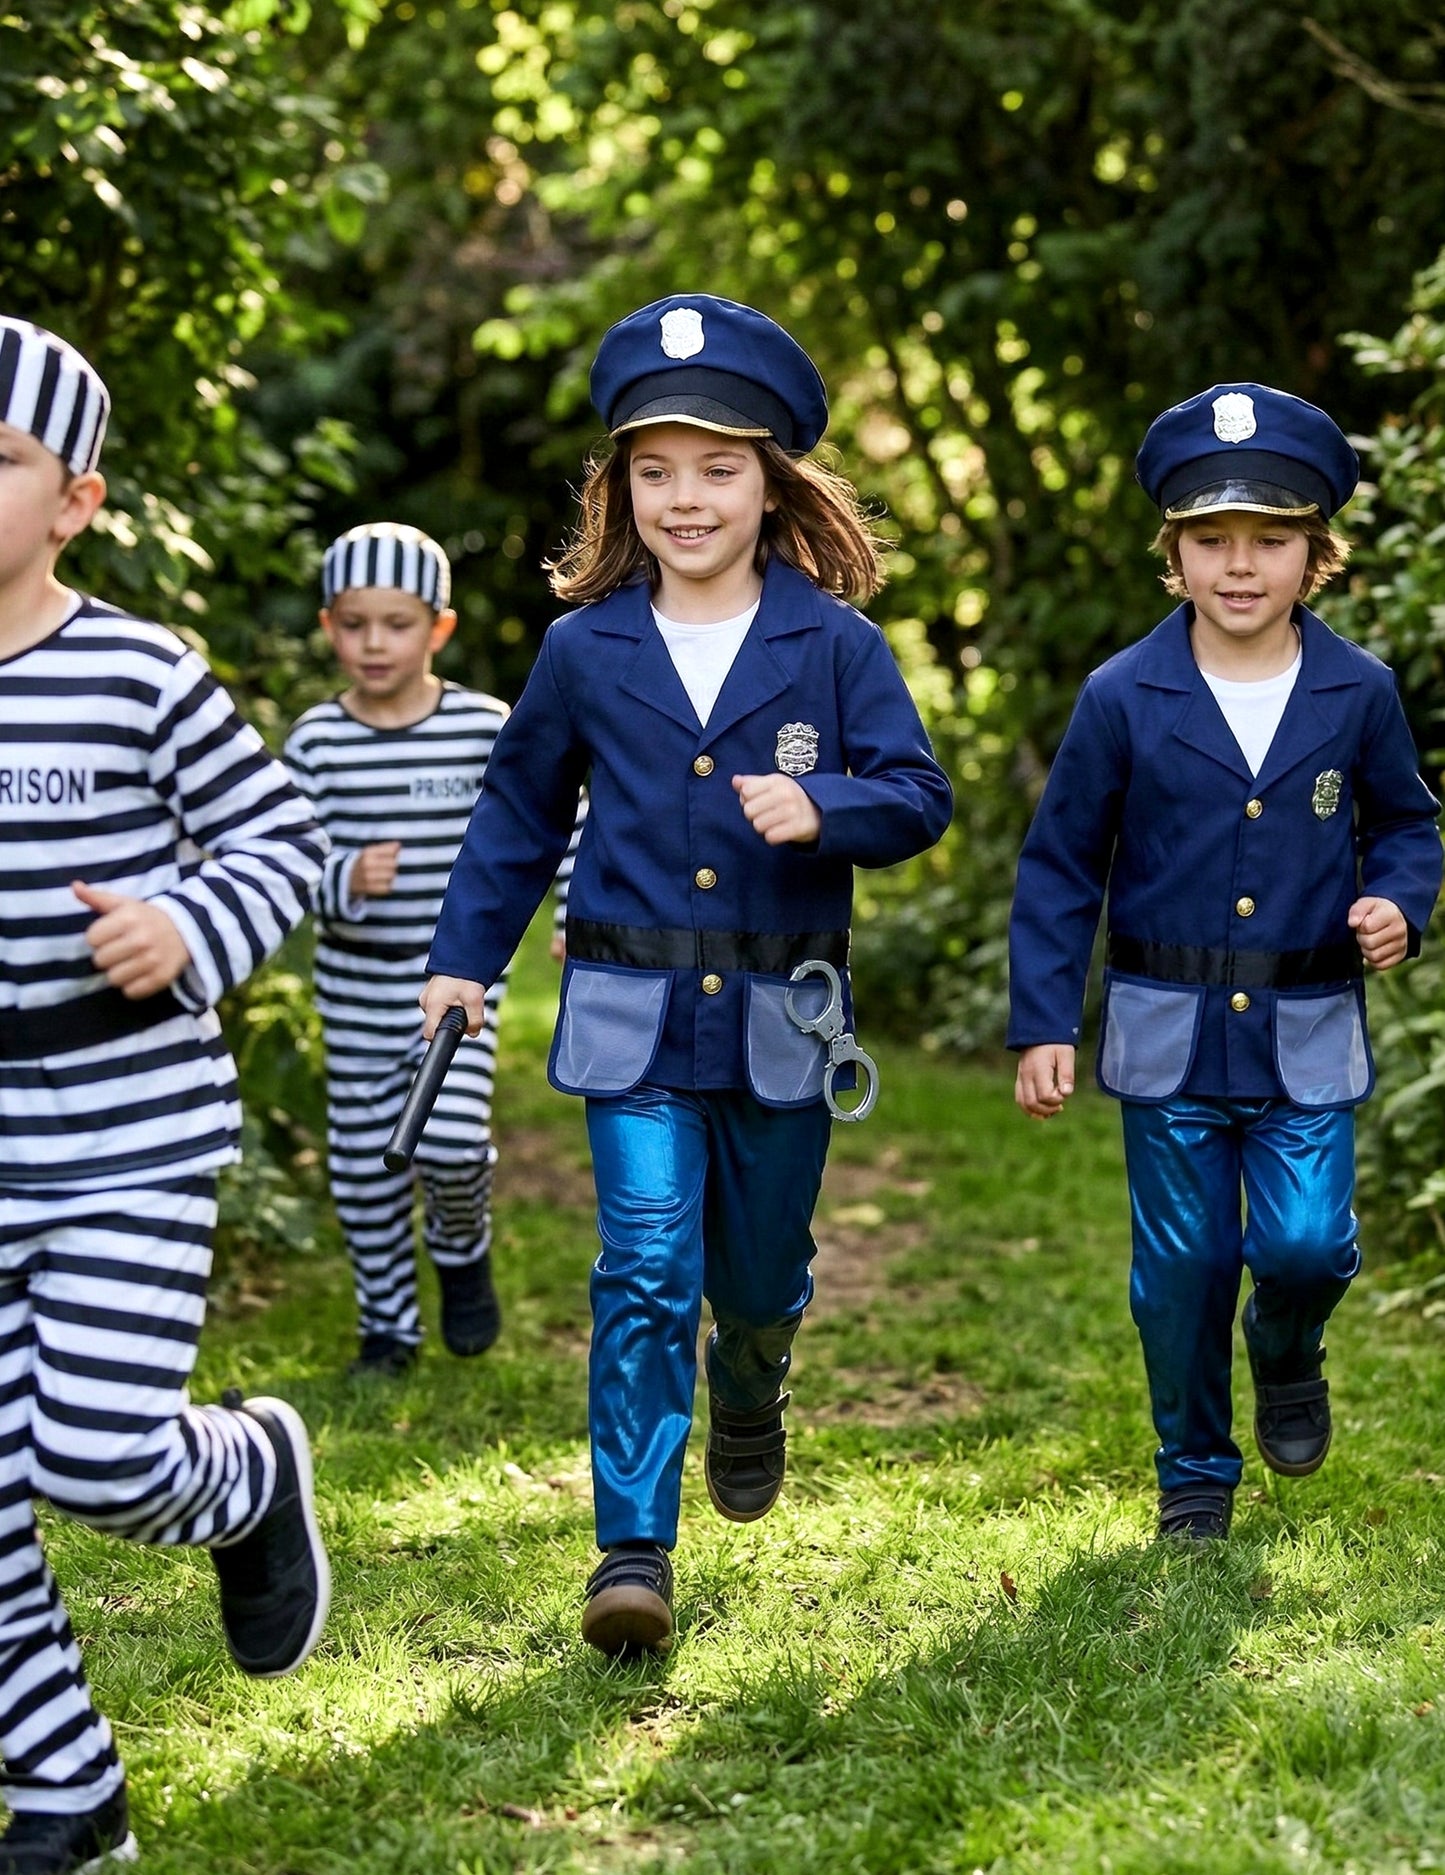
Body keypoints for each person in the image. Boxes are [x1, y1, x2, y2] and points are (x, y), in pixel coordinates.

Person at [421, 293, 953, 1653]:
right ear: (618, 491)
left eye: (717, 466)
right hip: (630, 1016)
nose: (685, 495)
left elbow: (918, 794)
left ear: (771, 483)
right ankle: (630, 1547)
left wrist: (826, 803)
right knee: (645, 1261)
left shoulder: (832, 644)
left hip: (783, 1017)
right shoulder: (581, 647)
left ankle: (755, 1382)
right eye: (654, 469)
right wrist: (462, 960)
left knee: (757, 1276)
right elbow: (516, 814)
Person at [0, 314, 331, 1872]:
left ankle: (249, 1471)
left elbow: (288, 841)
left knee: (93, 1457)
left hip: (127, 1128)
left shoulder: (138, 669)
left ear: (76, 498)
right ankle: (69, 1793)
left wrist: (189, 922)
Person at [1008, 382, 1442, 1543]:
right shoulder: (1120, 696)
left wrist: (1397, 902)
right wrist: (1044, 1021)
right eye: (1211, 540)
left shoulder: (1357, 692)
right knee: (1184, 1264)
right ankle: (1192, 1471)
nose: (1238, 567)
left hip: (1304, 1026)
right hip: (1164, 1027)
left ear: (1314, 554)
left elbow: (1405, 825)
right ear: (1174, 553)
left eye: (1268, 541)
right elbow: (1059, 865)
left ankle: (1285, 1347)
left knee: (1304, 1246)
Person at [285, 524, 583, 1377]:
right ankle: (388, 1331)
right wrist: (341, 875)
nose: (374, 643)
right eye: (353, 623)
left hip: (453, 998)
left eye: (397, 623)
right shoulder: (316, 743)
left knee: (450, 1149)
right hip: (352, 998)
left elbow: (553, 821)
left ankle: (461, 1249)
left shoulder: (481, 727)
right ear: (328, 625)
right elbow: (274, 861)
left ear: (438, 628)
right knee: (362, 1172)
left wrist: (571, 909)